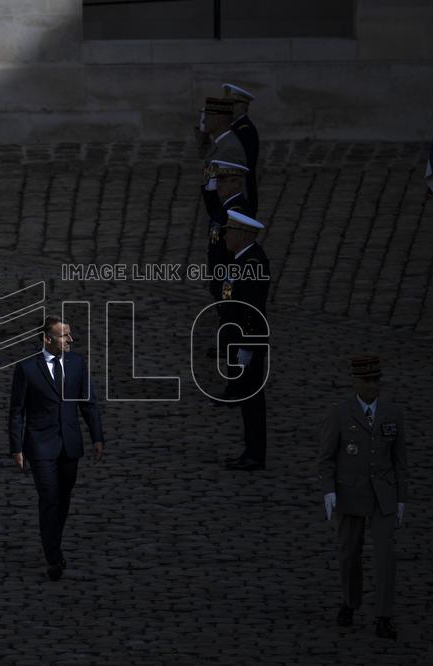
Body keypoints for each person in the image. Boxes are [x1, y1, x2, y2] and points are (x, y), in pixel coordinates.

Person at [317, 356, 409, 639]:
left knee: (386, 556)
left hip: (383, 494)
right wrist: (329, 491)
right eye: (368, 381)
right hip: (351, 492)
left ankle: (384, 615)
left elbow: (399, 461)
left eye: (376, 380)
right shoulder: (340, 413)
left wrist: (401, 498)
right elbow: (326, 458)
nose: (373, 386)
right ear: (355, 382)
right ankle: (350, 601)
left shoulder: (392, 413)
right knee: (349, 553)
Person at [8, 316, 105, 581]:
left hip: (70, 444)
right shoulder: (27, 369)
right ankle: (53, 555)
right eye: (64, 336)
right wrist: (16, 447)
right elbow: (17, 411)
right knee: (48, 498)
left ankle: (53, 540)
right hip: (39, 445)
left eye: (70, 335)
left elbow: (88, 404)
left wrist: (97, 437)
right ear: (47, 339)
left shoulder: (77, 364)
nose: (70, 340)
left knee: (63, 499)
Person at [218, 210, 270, 471]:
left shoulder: (252, 263)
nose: (225, 235)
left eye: (230, 230)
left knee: (252, 401)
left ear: (242, 234)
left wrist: (247, 346)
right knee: (247, 400)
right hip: (238, 339)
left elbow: (252, 308)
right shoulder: (241, 259)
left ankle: (255, 453)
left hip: (246, 341)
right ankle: (251, 450)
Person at [205, 159, 251, 301]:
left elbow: (236, 249)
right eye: (218, 180)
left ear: (236, 183)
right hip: (220, 273)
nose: (219, 185)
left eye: (224, 181)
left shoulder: (236, 210)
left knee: (230, 313)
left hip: (228, 276)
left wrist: (228, 284)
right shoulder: (226, 206)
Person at [222, 83, 260, 217]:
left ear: (243, 107)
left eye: (232, 105)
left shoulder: (244, 129)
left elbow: (245, 162)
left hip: (241, 189)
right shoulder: (234, 127)